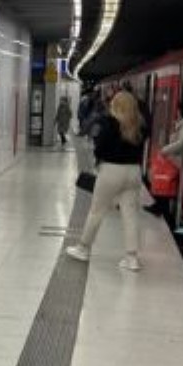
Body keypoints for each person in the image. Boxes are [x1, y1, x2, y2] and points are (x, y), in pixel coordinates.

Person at [67, 90, 149, 271]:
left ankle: (83, 248)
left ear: (116, 106)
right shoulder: (141, 125)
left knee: (97, 210)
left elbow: (100, 148)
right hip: (134, 172)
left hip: (112, 170)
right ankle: (131, 258)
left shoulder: (109, 123)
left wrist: (99, 157)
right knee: (130, 214)